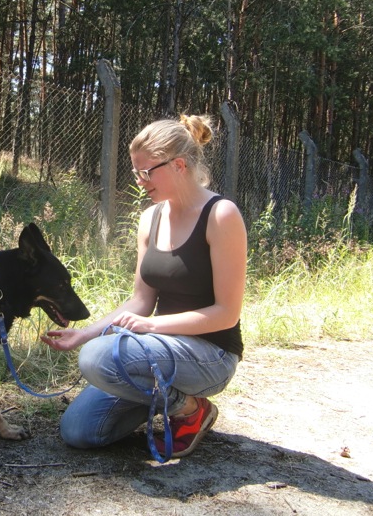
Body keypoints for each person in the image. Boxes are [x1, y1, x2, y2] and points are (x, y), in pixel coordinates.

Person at [41, 114, 247, 458]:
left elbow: (226, 314)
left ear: (178, 165)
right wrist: (84, 334)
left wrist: (151, 326)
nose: (139, 181)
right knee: (79, 431)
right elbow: (140, 301)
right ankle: (164, 397)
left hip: (210, 356)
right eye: (136, 172)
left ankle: (190, 409)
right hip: (156, 352)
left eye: (146, 172)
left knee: (97, 357)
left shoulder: (220, 215)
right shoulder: (150, 218)